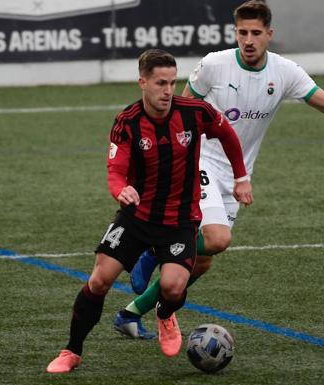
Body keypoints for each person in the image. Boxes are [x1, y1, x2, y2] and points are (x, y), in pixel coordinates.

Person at [113, 0, 324, 339]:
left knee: (203, 259)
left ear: (269, 34)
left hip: (237, 176)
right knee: (218, 238)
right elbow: (180, 110)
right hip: (202, 162)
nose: (248, 40)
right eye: (242, 33)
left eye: (256, 33)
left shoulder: (285, 72)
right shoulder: (214, 65)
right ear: (234, 32)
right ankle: (155, 250)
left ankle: (130, 313)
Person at [46, 49, 252, 373]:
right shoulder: (127, 122)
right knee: (100, 280)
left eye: (172, 82)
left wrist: (241, 177)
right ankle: (71, 351)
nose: (169, 91)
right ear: (142, 82)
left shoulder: (195, 112)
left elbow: (226, 133)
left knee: (173, 287)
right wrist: (121, 190)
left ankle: (164, 312)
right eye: (160, 83)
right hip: (136, 217)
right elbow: (115, 171)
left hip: (180, 220)